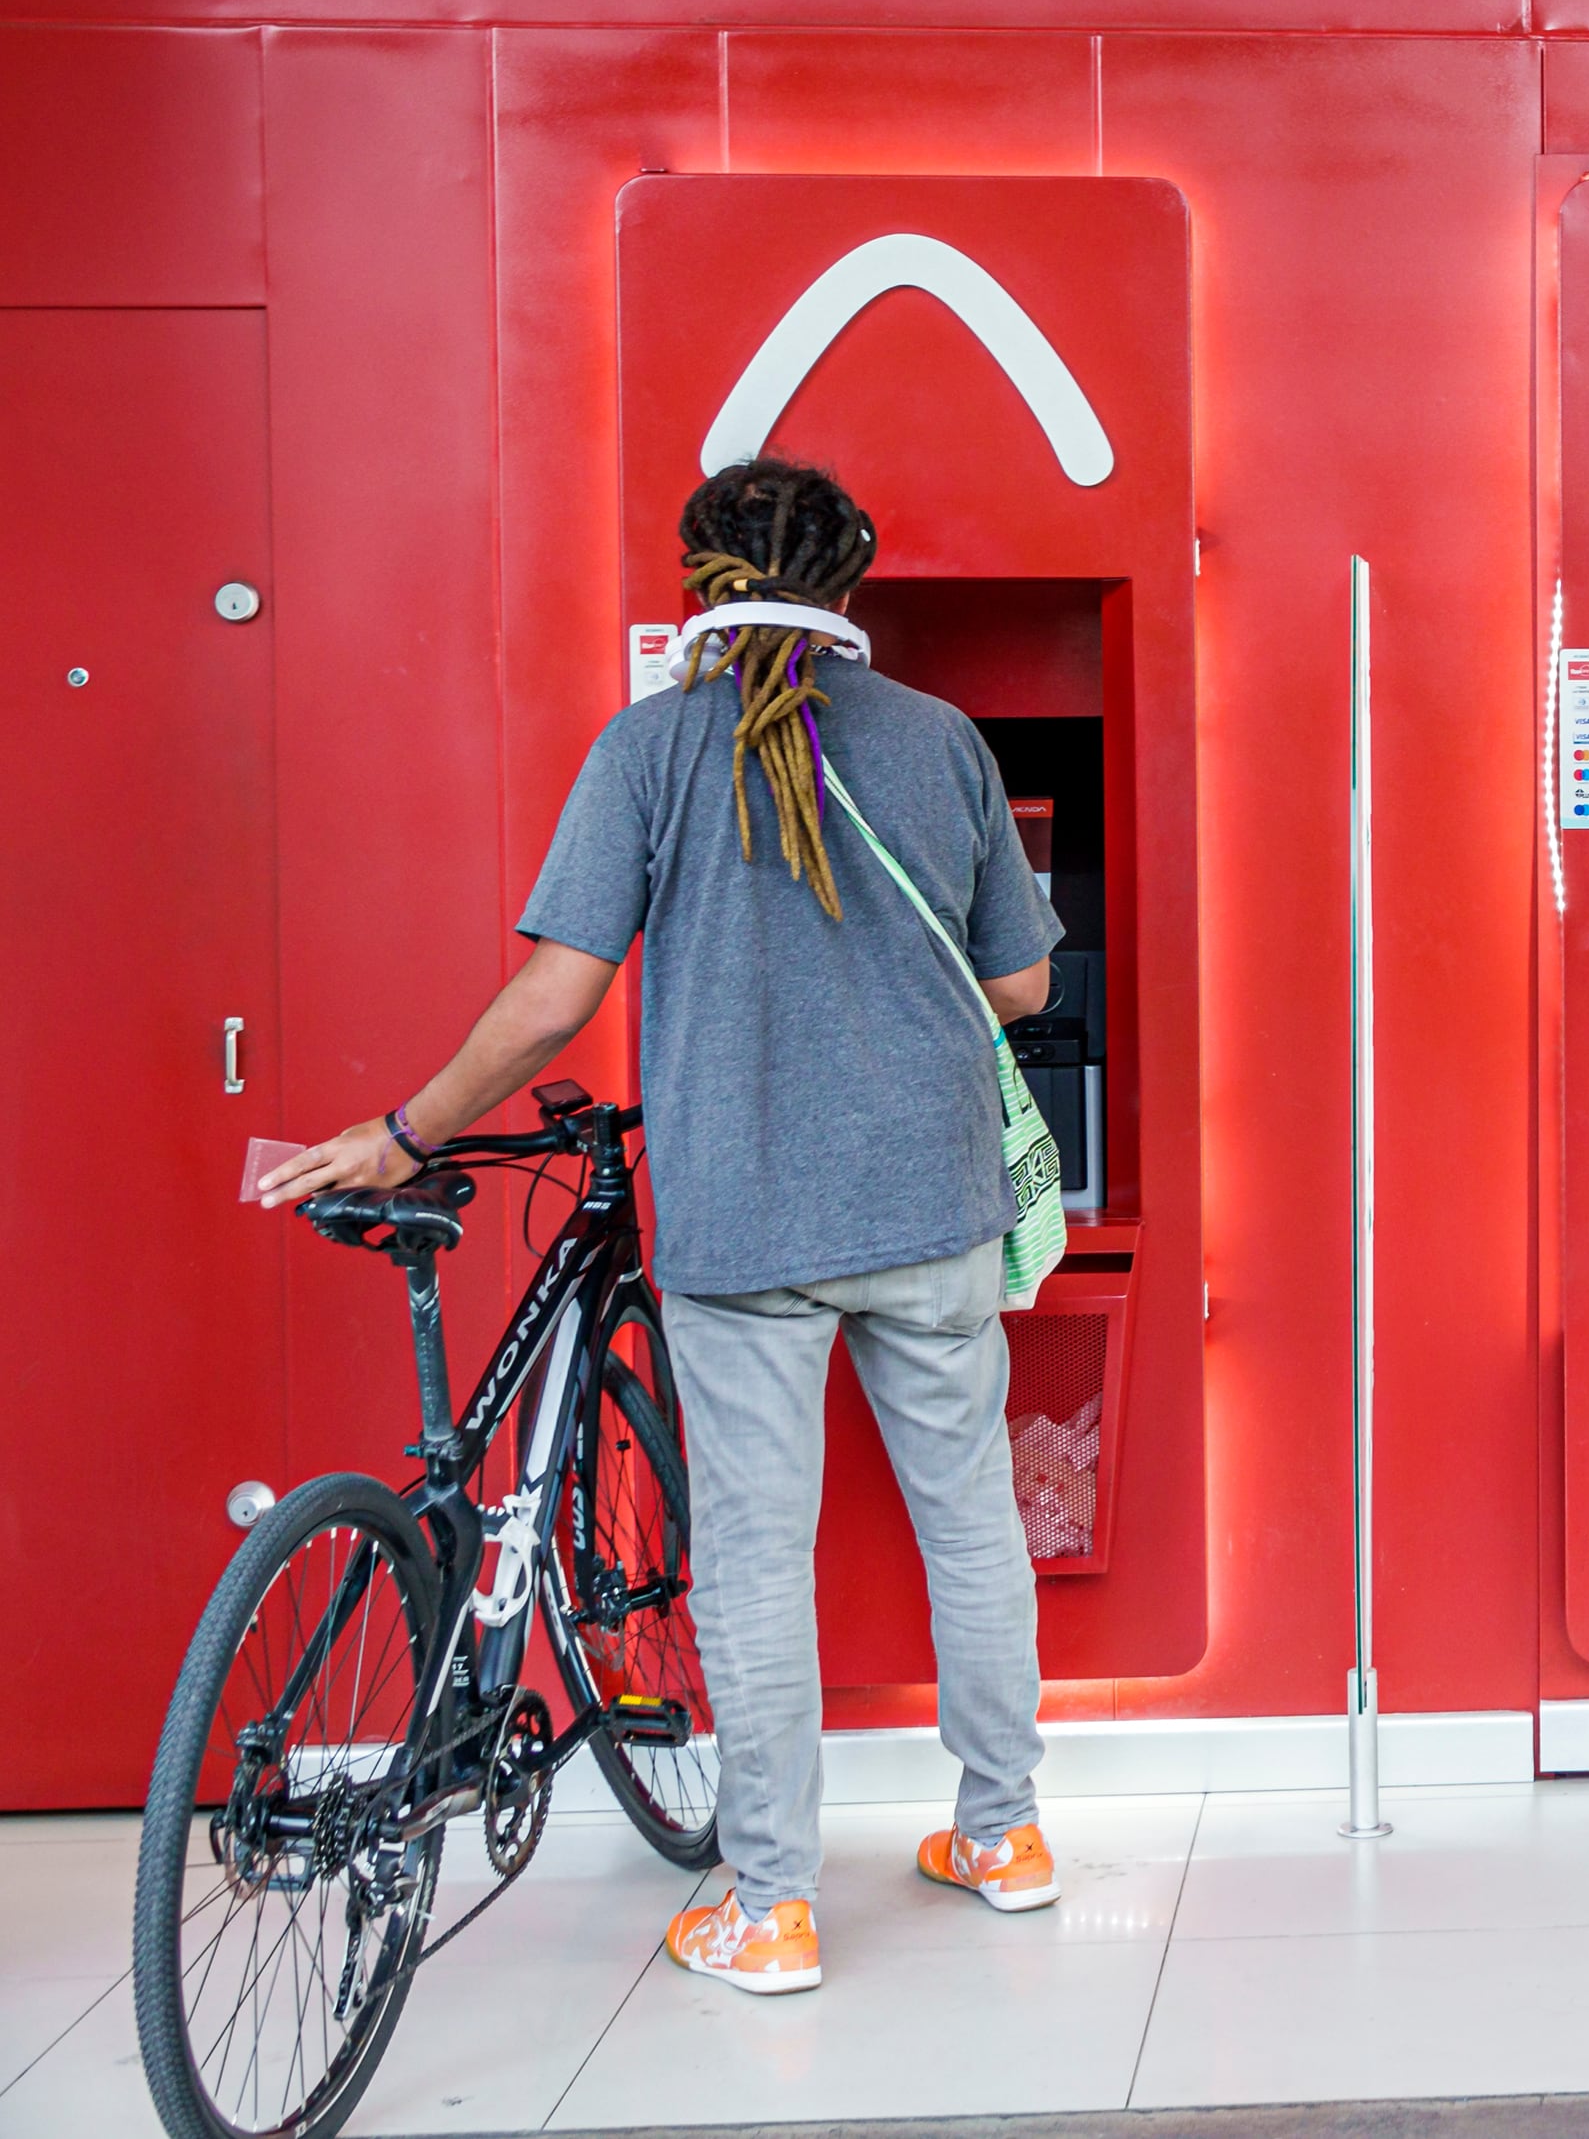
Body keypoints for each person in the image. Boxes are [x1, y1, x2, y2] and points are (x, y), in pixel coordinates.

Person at [266, 455, 1069, 1996]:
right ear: (851, 584)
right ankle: (1006, 1830)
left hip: (747, 1215)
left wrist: (406, 1130)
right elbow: (1023, 987)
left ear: (699, 584)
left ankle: (771, 1902)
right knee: (967, 1516)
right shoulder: (947, 741)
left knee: (758, 1558)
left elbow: (554, 997)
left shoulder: (647, 751)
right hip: (936, 1205)